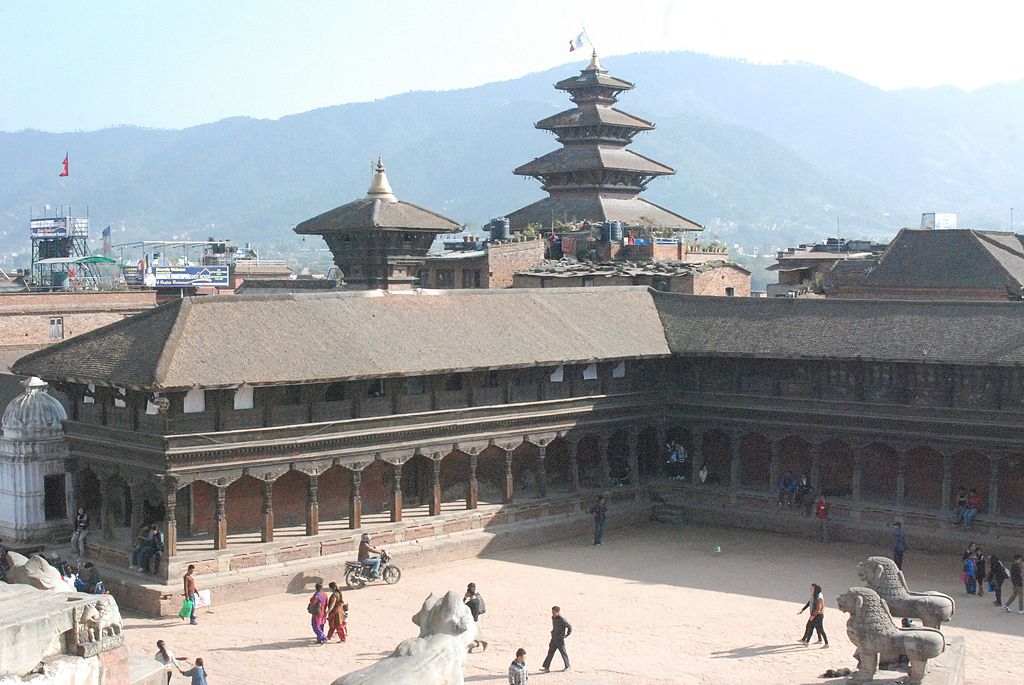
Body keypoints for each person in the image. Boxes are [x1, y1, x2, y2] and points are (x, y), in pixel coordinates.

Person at [539, 606, 571, 673]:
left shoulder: (562, 619)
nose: (552, 614)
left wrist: (567, 634)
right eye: (552, 612)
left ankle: (568, 666)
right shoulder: (553, 618)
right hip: (553, 639)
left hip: (560, 640)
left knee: (563, 653)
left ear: (558, 612)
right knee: (550, 653)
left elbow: (569, 626)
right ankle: (546, 668)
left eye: (554, 612)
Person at [797, 583, 829, 648]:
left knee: (811, 627)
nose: (810, 589)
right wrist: (803, 610)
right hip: (815, 615)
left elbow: (818, 608)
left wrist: (812, 616)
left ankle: (807, 642)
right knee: (818, 628)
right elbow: (809, 603)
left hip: (818, 615)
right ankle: (821, 641)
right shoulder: (814, 595)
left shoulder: (819, 597)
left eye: (812, 588)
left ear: (816, 589)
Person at [464, 582, 488, 652]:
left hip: (471, 620)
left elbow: (463, 607)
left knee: (471, 634)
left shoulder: (471, 602)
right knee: (473, 634)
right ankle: (478, 644)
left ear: (469, 593)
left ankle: (479, 644)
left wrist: (465, 598)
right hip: (475, 619)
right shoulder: (476, 599)